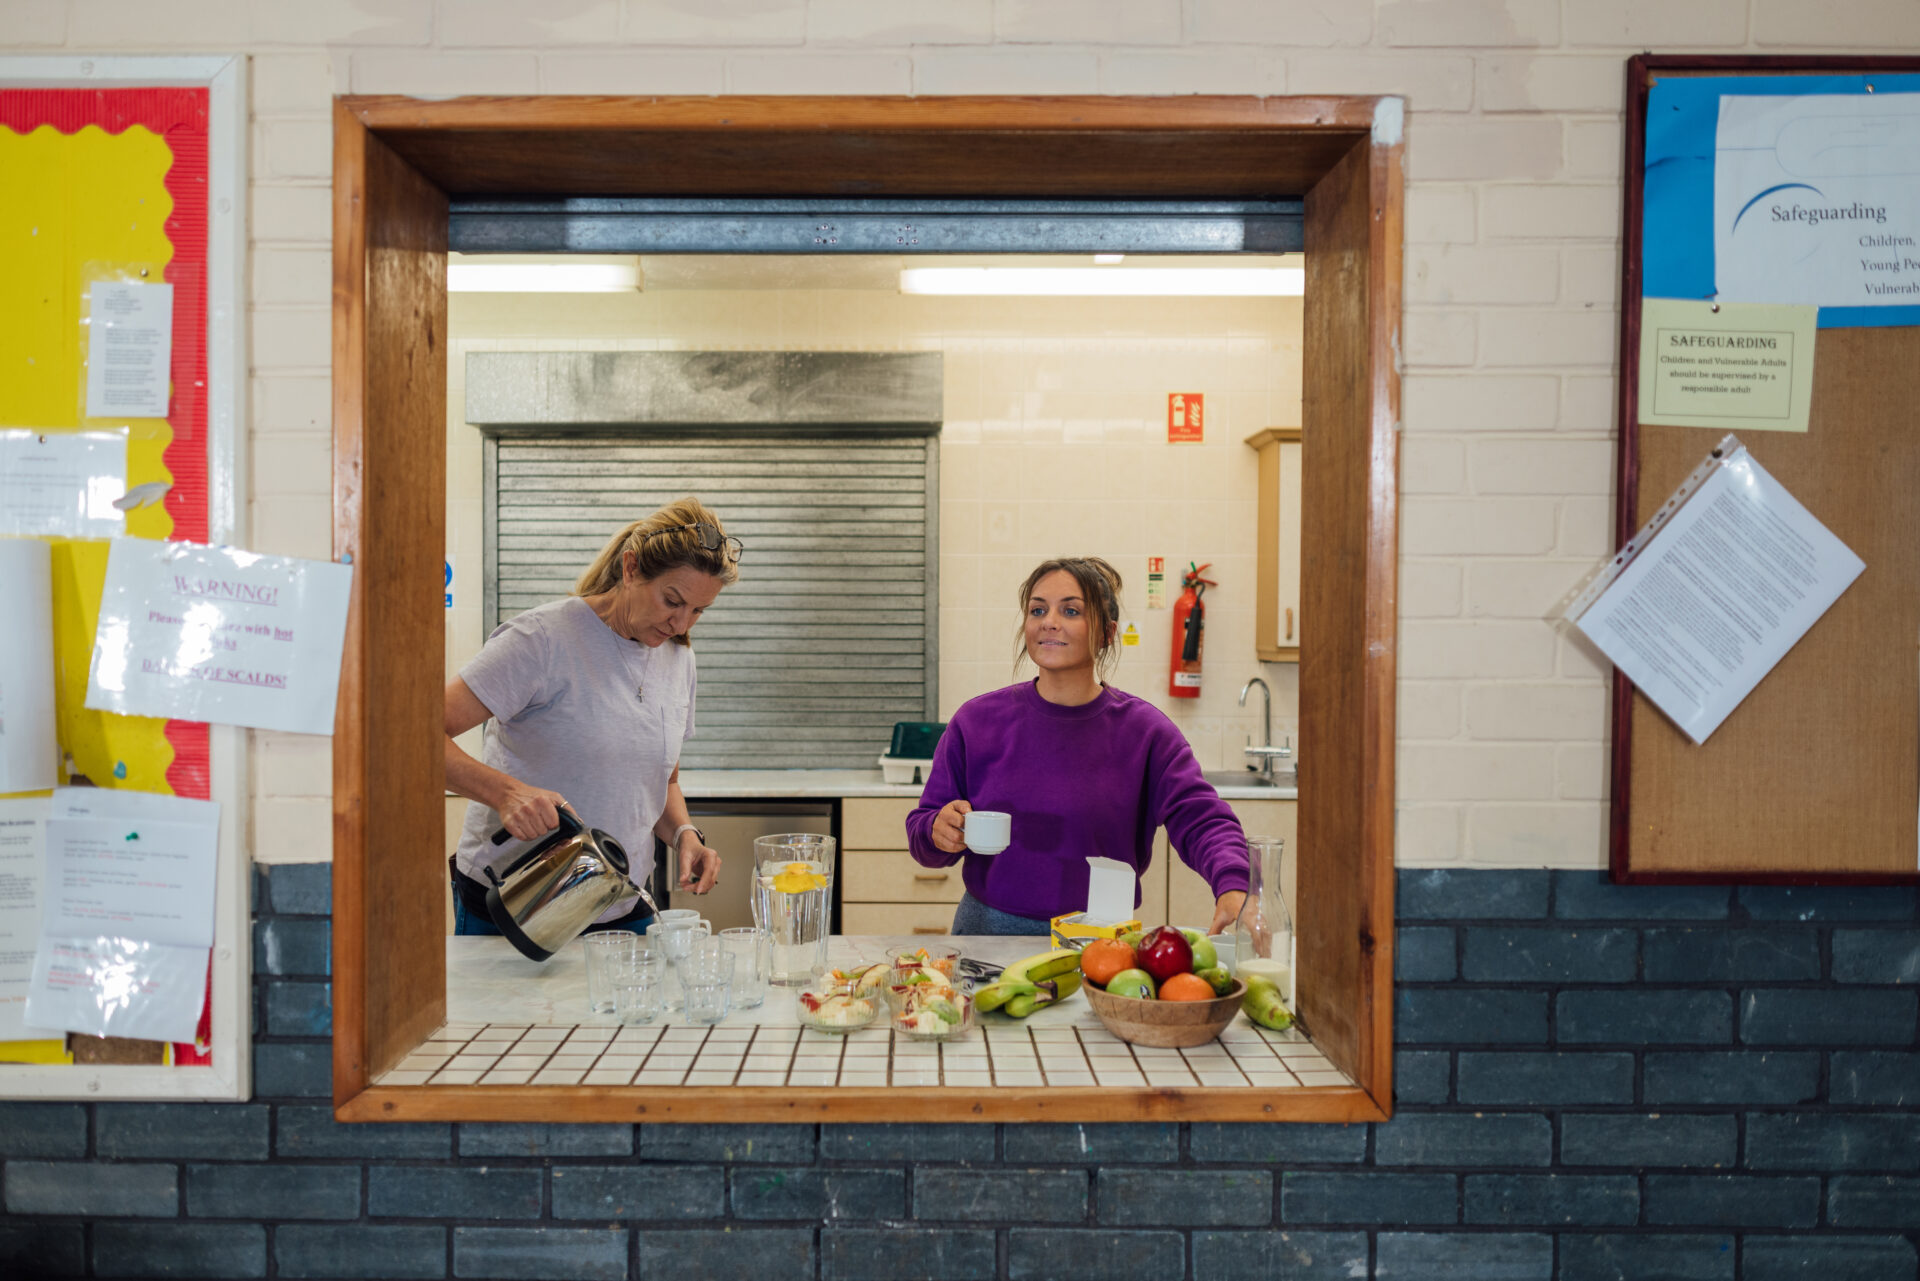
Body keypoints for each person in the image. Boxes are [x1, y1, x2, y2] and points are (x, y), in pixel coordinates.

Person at [906, 556, 1251, 937]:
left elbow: (1203, 818)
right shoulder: (975, 721)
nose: (1049, 620)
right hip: (986, 932)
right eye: (1038, 609)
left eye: (1070, 610)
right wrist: (938, 830)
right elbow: (924, 828)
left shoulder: (1148, 733)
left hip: (1100, 939)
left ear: (1106, 633)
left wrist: (1233, 883)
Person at [444, 497, 741, 936]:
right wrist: (507, 793)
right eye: (672, 600)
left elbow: (663, 780)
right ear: (630, 568)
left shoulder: (678, 660)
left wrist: (684, 835)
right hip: (513, 903)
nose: (681, 624)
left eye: (698, 611)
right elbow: (409, 738)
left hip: (618, 902)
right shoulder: (541, 640)